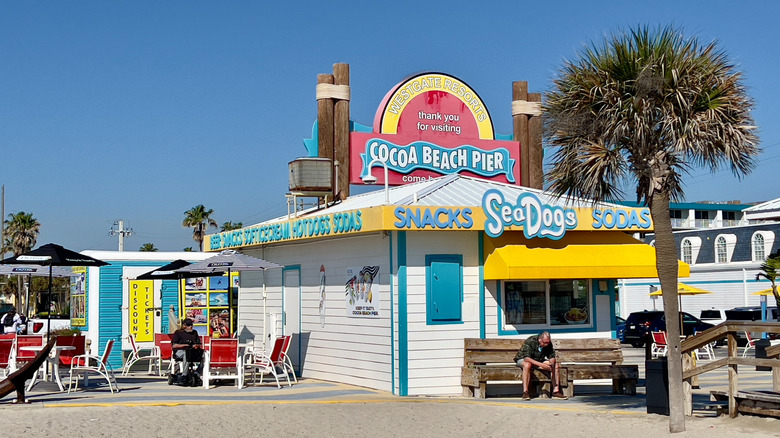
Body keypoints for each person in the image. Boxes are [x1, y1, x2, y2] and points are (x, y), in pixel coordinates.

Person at [514, 331, 567, 400]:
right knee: (527, 365)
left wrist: (552, 361)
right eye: (544, 343)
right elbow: (527, 358)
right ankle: (525, 392)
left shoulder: (548, 343)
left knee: (555, 365)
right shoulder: (531, 341)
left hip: (538, 360)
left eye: (548, 343)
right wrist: (541, 365)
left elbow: (551, 355)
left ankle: (556, 391)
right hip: (523, 359)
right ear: (540, 339)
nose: (546, 345)